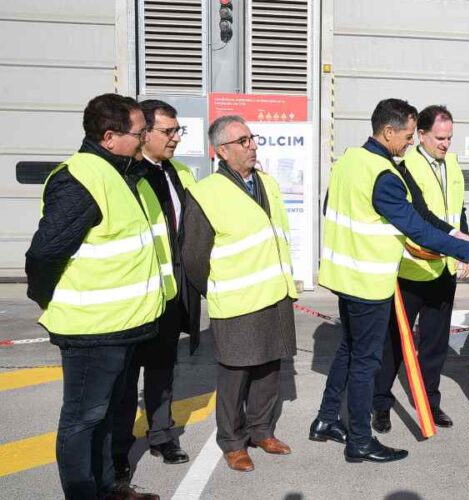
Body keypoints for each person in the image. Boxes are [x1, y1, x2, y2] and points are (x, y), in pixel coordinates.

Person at [311, 98, 469, 463]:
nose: (410, 143)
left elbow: (420, 215)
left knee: (348, 350)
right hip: (368, 281)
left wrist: (463, 238)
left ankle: (326, 419)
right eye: (409, 136)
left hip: (344, 276)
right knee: (365, 363)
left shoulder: (351, 161)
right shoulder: (384, 176)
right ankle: (360, 441)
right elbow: (415, 228)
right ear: (388, 131)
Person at [25, 93, 162, 499]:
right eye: (139, 133)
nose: (144, 140)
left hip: (122, 326)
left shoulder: (122, 172)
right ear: (109, 137)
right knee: (82, 420)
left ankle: (108, 488)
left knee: (104, 418)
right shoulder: (80, 179)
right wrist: (48, 298)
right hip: (92, 331)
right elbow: (45, 254)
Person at [181, 115, 297, 473]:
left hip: (274, 293)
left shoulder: (266, 182)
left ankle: (261, 430)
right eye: (243, 141)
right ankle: (232, 442)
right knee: (235, 374)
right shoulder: (205, 194)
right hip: (236, 300)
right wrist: (215, 287)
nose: (252, 146)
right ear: (221, 151)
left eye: (252, 138)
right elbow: (194, 257)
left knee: (269, 367)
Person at [111, 100, 199, 486]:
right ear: (143, 133)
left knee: (163, 370)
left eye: (178, 131)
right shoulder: (129, 175)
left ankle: (162, 435)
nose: (176, 138)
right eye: (169, 131)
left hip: (170, 292)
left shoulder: (179, 173)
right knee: (126, 376)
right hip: (136, 296)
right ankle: (118, 448)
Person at [371, 105, 469, 433]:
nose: (445, 144)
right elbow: (419, 218)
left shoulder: (452, 164)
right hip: (411, 270)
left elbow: (457, 212)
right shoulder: (405, 166)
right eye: (440, 138)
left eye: (450, 138)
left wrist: (463, 252)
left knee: (435, 343)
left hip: (443, 269)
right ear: (422, 135)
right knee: (395, 343)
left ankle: (429, 402)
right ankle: (381, 404)